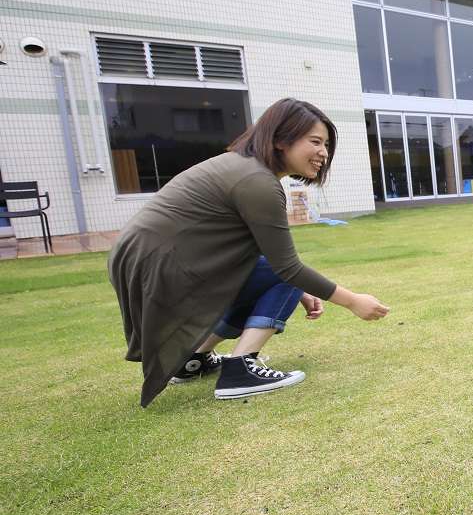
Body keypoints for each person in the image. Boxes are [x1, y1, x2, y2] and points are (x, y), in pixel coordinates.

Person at [108, 98, 389, 407]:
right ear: (281, 140)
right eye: (315, 141)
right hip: (158, 264)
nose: (323, 152)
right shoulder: (257, 182)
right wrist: (353, 302)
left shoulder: (243, 168)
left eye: (326, 144)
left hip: (146, 260)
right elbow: (288, 269)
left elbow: (257, 258)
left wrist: (299, 290)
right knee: (288, 274)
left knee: (280, 275)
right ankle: (241, 367)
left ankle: (193, 359)